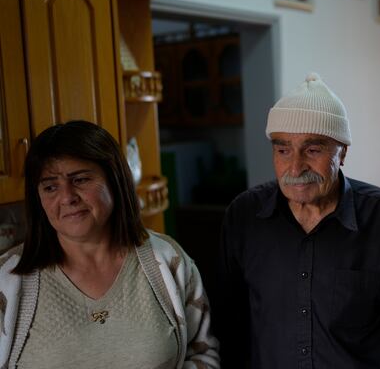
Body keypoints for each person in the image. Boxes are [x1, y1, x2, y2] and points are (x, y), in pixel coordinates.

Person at [215, 73, 380, 368]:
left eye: (313, 150)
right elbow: (228, 329)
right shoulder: (243, 217)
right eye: (283, 150)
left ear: (343, 153)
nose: (296, 167)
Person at [0, 120, 220, 368]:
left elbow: (204, 354)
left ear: (115, 181)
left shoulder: (167, 260)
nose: (67, 197)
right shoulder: (7, 279)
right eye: (50, 186)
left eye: (80, 179)